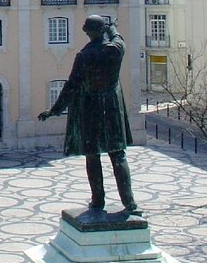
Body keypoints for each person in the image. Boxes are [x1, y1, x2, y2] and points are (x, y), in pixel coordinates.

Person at [39, 16, 139, 214]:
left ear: (89, 32)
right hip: (112, 108)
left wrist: (55, 110)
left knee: (92, 156)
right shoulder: (116, 50)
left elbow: (71, 86)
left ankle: (98, 200)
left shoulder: (85, 56)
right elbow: (117, 37)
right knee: (118, 155)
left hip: (91, 108)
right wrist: (112, 28)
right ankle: (130, 203)